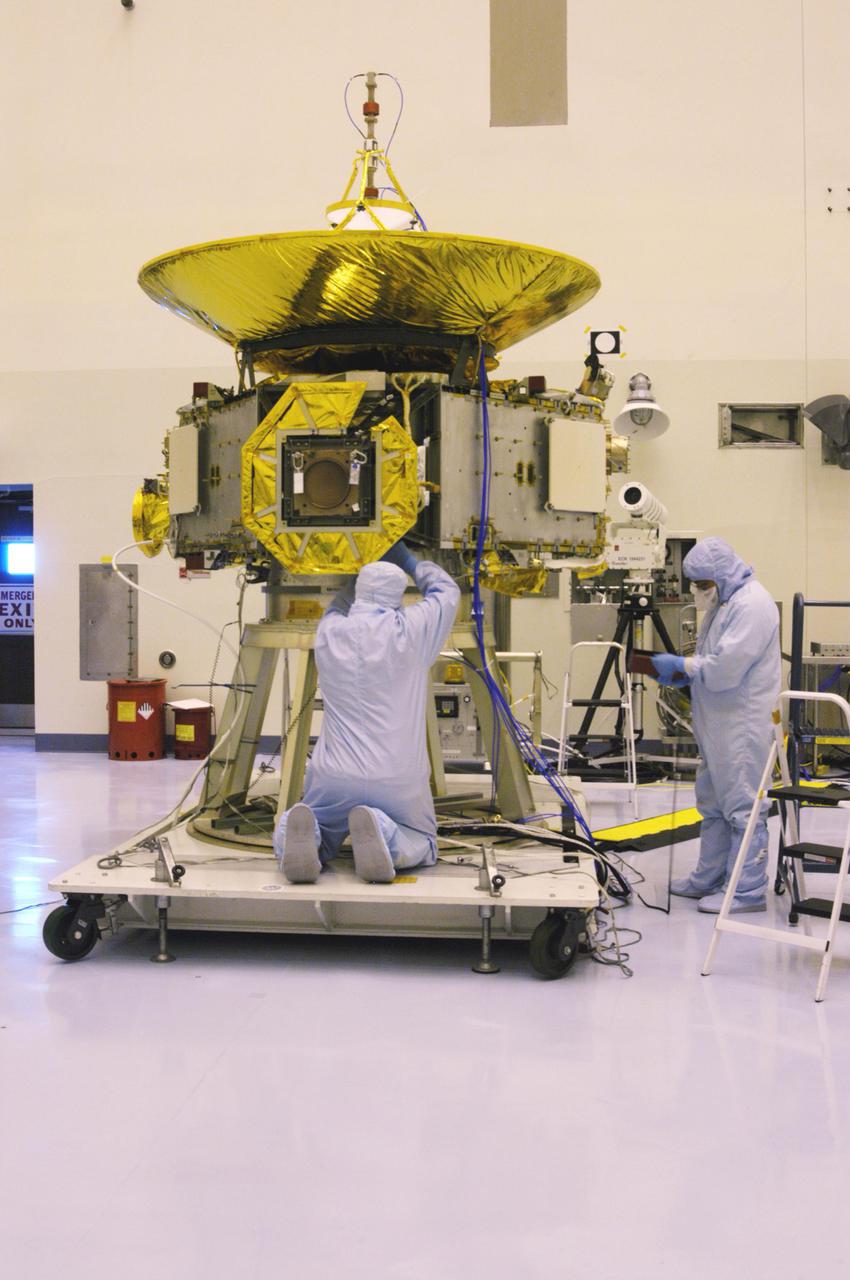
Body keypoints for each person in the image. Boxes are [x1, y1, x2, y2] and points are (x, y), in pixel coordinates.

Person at [274, 540, 460, 885]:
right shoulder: (411, 631)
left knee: (319, 817)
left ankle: (299, 833)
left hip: (334, 775)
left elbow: (337, 606)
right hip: (397, 776)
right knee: (422, 838)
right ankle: (386, 835)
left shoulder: (329, 632)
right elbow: (447, 592)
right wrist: (407, 560)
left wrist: (353, 570)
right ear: (397, 596)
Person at [650, 537, 780, 913]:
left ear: (722, 576)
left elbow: (725, 668)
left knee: (742, 805)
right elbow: (711, 659)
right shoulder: (725, 603)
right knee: (713, 802)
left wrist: (685, 667)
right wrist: (687, 674)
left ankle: (746, 890)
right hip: (718, 723)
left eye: (703, 584)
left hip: (743, 725)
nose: (698, 591)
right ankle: (710, 875)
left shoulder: (752, 605)